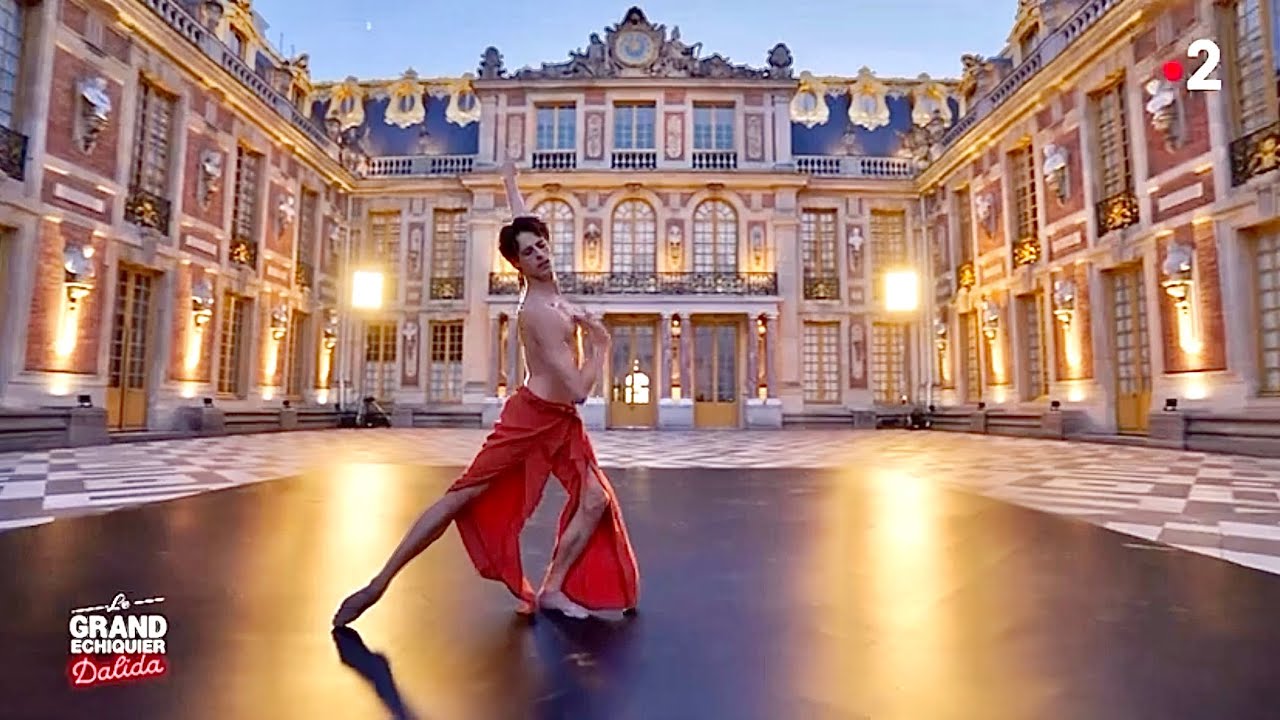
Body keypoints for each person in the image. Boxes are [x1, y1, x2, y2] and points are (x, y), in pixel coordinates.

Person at [332, 160, 640, 625]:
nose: (540, 255)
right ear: (517, 265)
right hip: (533, 416)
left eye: (542, 246)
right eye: (530, 253)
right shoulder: (537, 311)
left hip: (560, 424)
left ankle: (553, 589)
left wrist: (511, 184)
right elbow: (578, 390)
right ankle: (377, 585)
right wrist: (601, 345)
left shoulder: (550, 288)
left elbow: (520, 224)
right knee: (460, 497)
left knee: (595, 499)